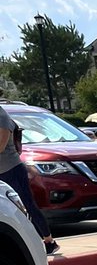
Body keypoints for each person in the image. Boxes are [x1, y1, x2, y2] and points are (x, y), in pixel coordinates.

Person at [0, 103, 59, 254]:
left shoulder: (2, 117)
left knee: (26, 206)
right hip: (3, 170)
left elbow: (1, 146)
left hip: (11, 169)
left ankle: (48, 241)